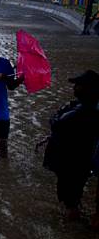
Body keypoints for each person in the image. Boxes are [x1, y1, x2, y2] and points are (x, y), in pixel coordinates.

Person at [41, 70, 99, 224]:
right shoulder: (90, 109)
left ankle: (71, 225)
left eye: (78, 85)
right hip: (81, 160)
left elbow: (56, 124)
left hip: (71, 162)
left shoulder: (80, 111)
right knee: (74, 193)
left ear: (88, 89)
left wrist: (59, 113)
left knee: (69, 197)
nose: (74, 88)